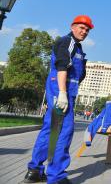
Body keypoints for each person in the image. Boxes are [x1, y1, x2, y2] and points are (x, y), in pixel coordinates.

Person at [24, 15, 93, 184]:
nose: (84, 31)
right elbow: (61, 66)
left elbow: (78, 74)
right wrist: (62, 93)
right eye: (81, 28)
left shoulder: (77, 47)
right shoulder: (67, 42)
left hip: (63, 90)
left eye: (87, 30)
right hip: (62, 91)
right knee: (63, 131)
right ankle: (56, 176)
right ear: (72, 27)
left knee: (51, 130)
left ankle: (34, 171)